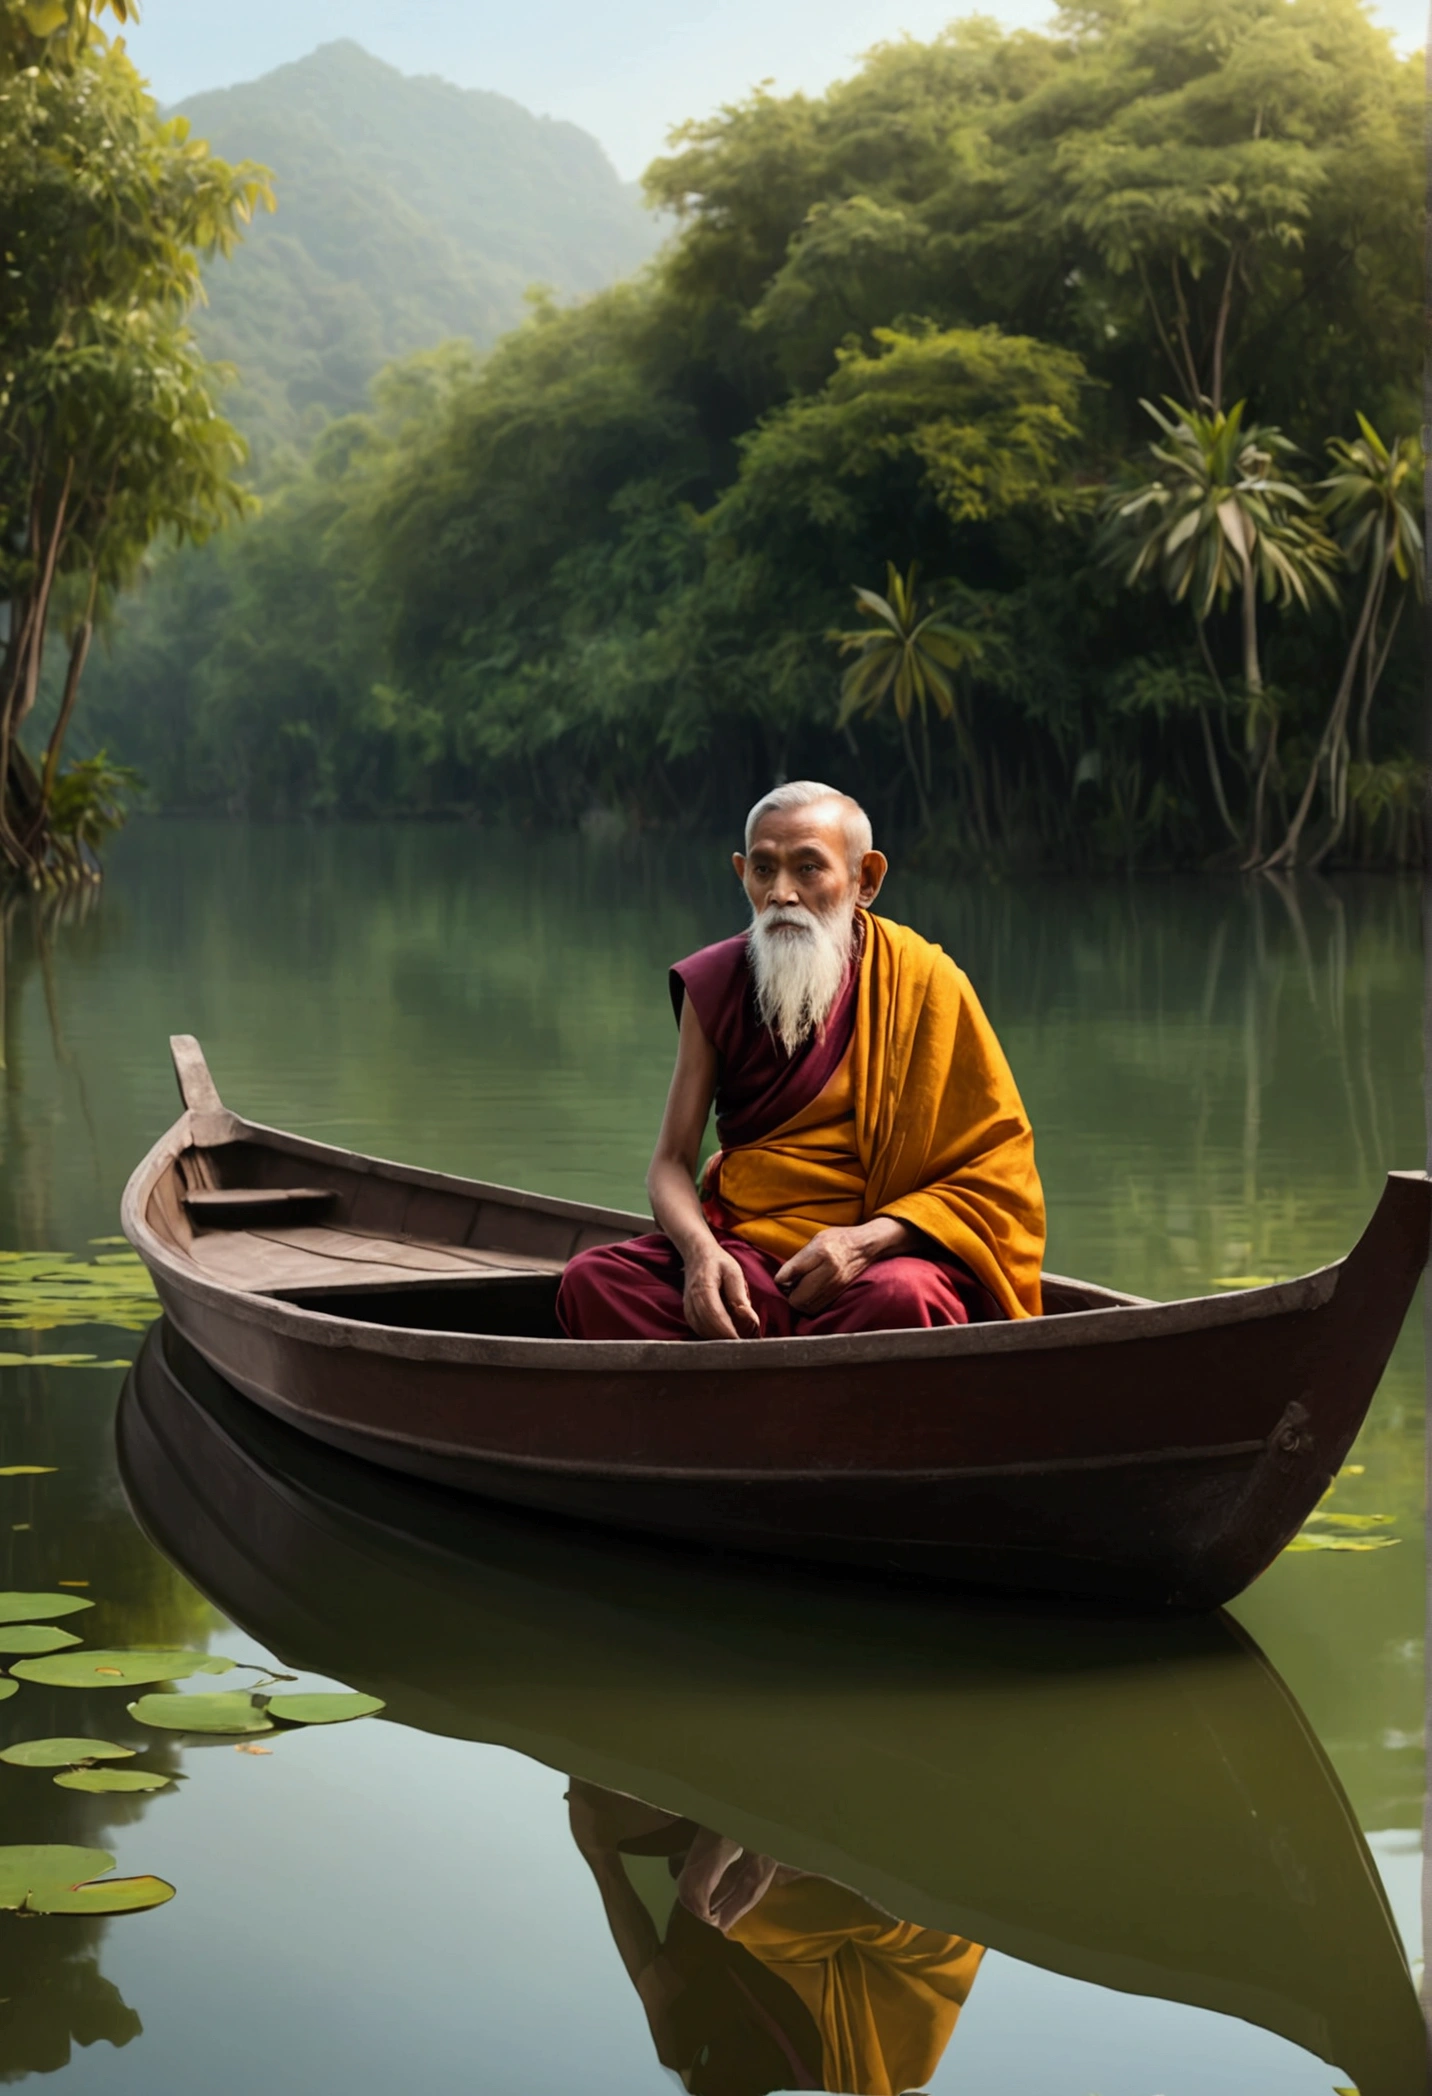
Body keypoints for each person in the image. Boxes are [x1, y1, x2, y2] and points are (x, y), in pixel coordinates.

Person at [557, 780, 1044, 1341]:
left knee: (906, 1298)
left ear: (865, 880)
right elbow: (670, 1162)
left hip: (874, 1264)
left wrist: (863, 1242)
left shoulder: (927, 983)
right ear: (743, 874)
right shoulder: (716, 983)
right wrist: (701, 1257)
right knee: (592, 1281)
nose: (782, 893)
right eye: (764, 870)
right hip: (745, 1259)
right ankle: (813, 1383)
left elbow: (995, 1177)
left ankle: (734, 1386)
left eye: (808, 869)